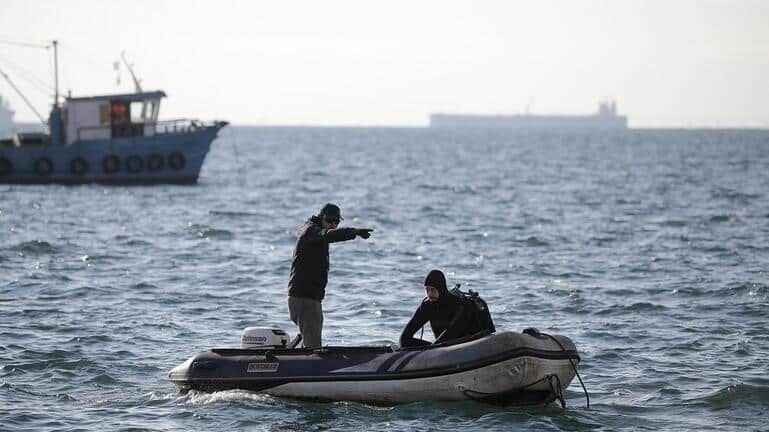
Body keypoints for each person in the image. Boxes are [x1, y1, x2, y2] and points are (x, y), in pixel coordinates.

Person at [288, 203, 373, 348]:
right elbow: (329, 235)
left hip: (308, 298)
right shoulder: (310, 231)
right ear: (321, 217)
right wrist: (354, 231)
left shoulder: (314, 233)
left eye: (337, 222)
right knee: (313, 349)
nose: (333, 225)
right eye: (330, 221)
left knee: (309, 341)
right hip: (305, 300)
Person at [399, 269, 494, 348]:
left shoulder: (460, 305)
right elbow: (404, 338)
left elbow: (452, 333)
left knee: (439, 345)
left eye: (433, 290)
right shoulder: (427, 306)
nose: (429, 294)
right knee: (406, 341)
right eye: (427, 289)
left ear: (440, 289)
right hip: (443, 350)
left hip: (471, 346)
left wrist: (432, 350)